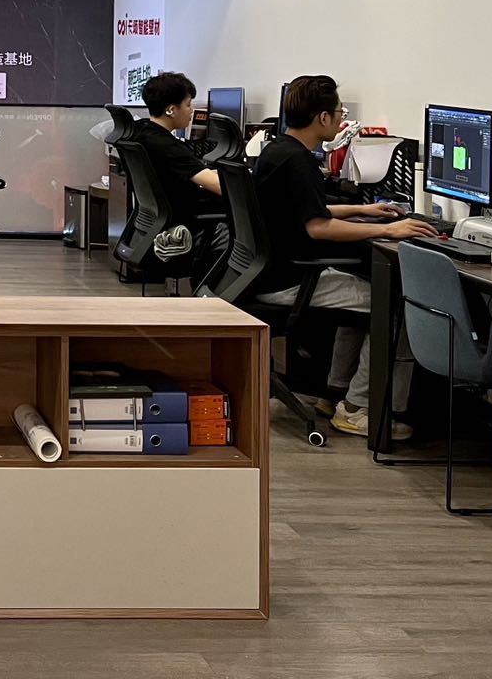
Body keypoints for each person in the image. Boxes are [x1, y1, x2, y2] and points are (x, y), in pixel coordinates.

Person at [252, 74, 433, 438]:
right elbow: (318, 227)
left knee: (368, 291)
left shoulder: (278, 150)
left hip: (269, 272)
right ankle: (358, 408)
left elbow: (303, 210)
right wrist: (388, 230)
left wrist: (364, 211)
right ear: (322, 118)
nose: (340, 119)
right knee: (395, 306)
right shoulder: (299, 162)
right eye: (339, 113)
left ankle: (334, 392)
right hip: (291, 280)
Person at [128, 72, 229, 275]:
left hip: (159, 226)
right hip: (187, 228)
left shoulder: (140, 131)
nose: (191, 111)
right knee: (251, 237)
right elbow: (219, 186)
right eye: (189, 105)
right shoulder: (167, 146)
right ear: (171, 110)